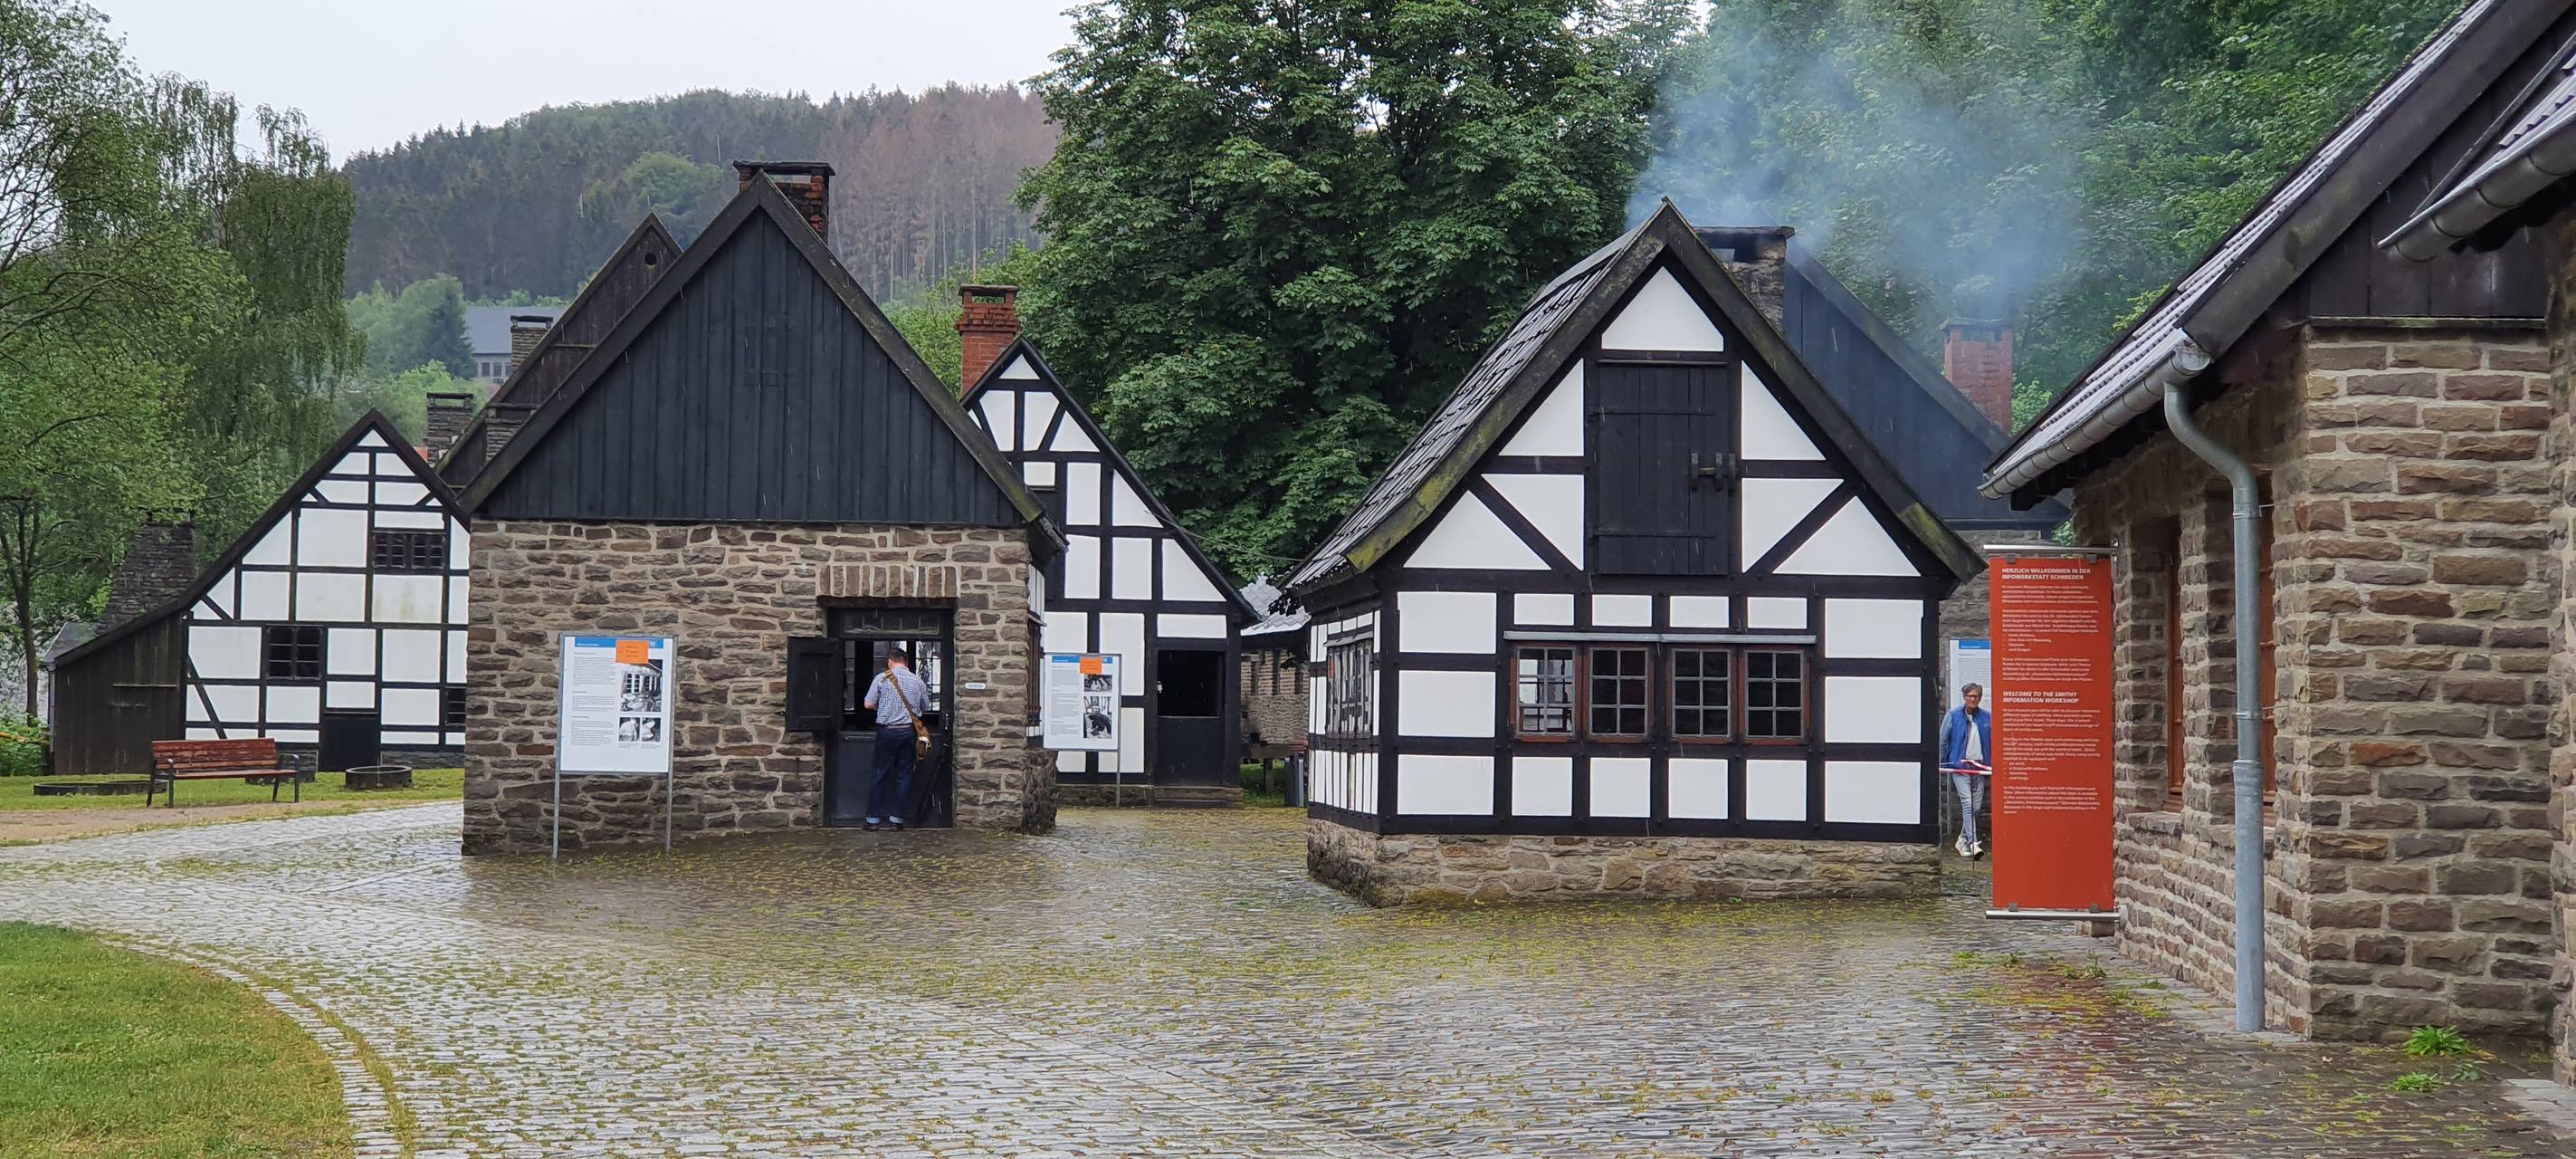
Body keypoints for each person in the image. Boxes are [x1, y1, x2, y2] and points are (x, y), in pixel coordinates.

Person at [861, 647, 930, 831]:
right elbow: (925, 706)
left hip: (887, 732)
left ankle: (873, 820)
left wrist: (883, 708)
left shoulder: (882, 678)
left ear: (890, 662)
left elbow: (868, 704)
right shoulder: (918, 681)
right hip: (908, 732)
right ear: (906, 662)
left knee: (879, 774)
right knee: (904, 775)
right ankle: (896, 820)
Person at [1941, 683, 1994, 859]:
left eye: (1976, 696)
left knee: (1976, 807)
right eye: (1970, 696)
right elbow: (1943, 740)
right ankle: (1973, 843)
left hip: (1979, 766)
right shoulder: (1953, 716)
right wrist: (1942, 763)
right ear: (1964, 697)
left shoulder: (1986, 718)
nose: (1973, 699)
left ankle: (1962, 839)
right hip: (1960, 766)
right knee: (1967, 803)